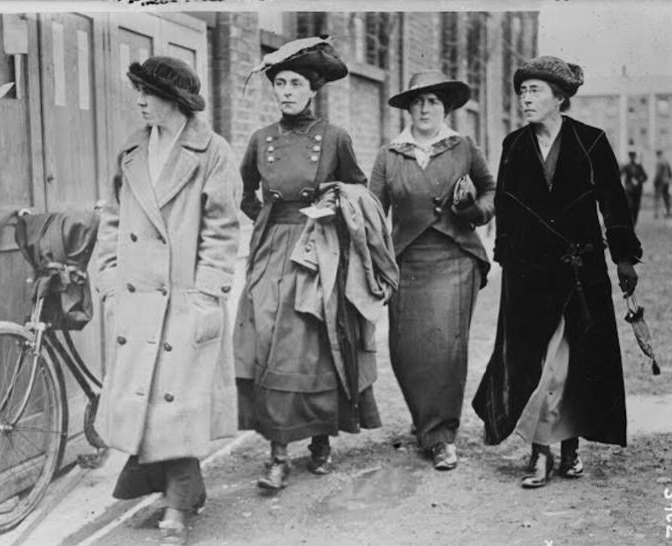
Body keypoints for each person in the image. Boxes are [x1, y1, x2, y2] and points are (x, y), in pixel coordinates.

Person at [234, 37, 396, 491]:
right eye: (280, 83)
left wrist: (333, 206)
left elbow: (360, 191)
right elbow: (246, 195)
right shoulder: (260, 139)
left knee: (315, 343)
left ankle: (319, 441)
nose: (286, 91)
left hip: (320, 251)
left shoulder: (335, 138)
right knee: (269, 340)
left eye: (295, 83)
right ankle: (277, 450)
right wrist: (270, 222)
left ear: (312, 89)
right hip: (271, 249)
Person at [472, 56, 642, 489]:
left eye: (536, 91)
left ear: (559, 98)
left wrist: (623, 257)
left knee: (573, 364)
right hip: (530, 276)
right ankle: (542, 453)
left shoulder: (591, 141)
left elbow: (614, 204)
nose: (526, 99)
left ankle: (567, 450)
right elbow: (506, 210)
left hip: (580, 272)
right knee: (539, 364)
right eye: (523, 91)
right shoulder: (514, 145)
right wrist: (505, 258)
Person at [94, 56, 240, 544]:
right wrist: (110, 278)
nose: (139, 100)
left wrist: (205, 294)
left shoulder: (211, 152)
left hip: (184, 297)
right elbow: (113, 220)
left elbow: (222, 231)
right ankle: (177, 491)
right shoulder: (132, 150)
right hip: (136, 300)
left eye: (148, 93)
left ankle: (177, 505)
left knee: (176, 401)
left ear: (175, 100)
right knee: (150, 398)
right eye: (137, 90)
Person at [369, 70, 495, 470]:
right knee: (405, 350)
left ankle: (441, 436)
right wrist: (374, 262)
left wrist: (473, 210)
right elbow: (373, 213)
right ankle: (425, 419)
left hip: (456, 257)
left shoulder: (463, 146)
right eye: (418, 101)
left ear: (446, 108)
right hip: (406, 260)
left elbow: (493, 191)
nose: (425, 108)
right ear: (407, 107)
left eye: (434, 102)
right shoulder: (389, 154)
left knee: (445, 349)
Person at [620, 150, 648, 225]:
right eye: (631, 157)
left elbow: (645, 177)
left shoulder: (639, 167)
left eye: (633, 156)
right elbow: (619, 174)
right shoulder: (626, 166)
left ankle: (634, 222)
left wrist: (639, 180)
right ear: (629, 157)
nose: (632, 158)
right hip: (629, 190)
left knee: (636, 208)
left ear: (635, 157)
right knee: (630, 206)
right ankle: (631, 223)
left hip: (637, 191)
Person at [653, 149, 671, 218]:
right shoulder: (666, 161)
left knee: (657, 197)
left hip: (660, 182)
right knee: (666, 197)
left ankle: (656, 213)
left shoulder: (659, 162)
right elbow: (670, 172)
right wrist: (669, 179)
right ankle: (668, 212)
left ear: (657, 154)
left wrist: (655, 182)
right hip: (666, 181)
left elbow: (658, 174)